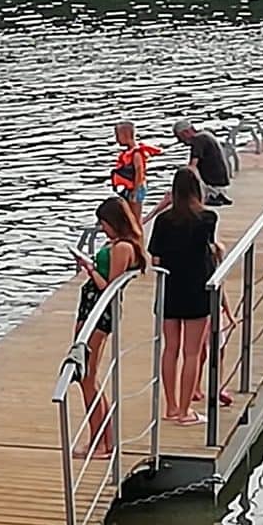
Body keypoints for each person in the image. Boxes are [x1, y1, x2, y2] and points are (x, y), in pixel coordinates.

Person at [68, 197, 146, 459]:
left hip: (98, 312)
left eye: (104, 224)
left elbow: (108, 286)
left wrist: (90, 269)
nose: (102, 229)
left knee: (88, 378)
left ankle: (101, 441)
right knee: (86, 377)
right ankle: (102, 439)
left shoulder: (124, 247)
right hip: (90, 307)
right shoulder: (117, 244)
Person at [148, 169, 221, 425]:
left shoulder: (163, 220)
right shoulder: (208, 218)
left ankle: (170, 406)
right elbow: (209, 249)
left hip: (169, 287)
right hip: (196, 289)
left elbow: (155, 257)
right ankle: (185, 411)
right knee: (192, 352)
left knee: (170, 349)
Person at [173, 119, 233, 207]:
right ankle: (217, 194)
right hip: (222, 180)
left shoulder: (197, 140)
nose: (180, 141)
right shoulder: (206, 134)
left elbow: (192, 166)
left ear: (186, 132)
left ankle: (211, 195)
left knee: (186, 175)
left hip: (212, 182)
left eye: (179, 137)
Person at [109, 121, 163, 210]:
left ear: (126, 135)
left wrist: (135, 190)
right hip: (129, 188)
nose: (116, 139)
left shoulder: (136, 153)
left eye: (118, 136)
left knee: (135, 215)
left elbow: (139, 172)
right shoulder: (128, 152)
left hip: (136, 188)